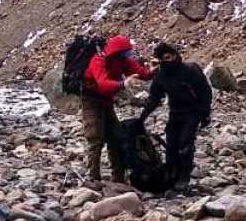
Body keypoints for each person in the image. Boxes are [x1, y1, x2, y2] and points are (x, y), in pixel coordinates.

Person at [82, 35, 153, 183]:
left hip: (107, 100)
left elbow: (142, 73)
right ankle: (93, 178)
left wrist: (153, 70)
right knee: (95, 138)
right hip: (91, 100)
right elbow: (102, 83)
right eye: (125, 52)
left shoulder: (123, 60)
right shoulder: (98, 60)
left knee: (114, 137)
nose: (128, 56)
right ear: (117, 52)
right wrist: (122, 84)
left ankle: (118, 178)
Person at [140, 43, 213, 188]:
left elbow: (205, 92)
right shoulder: (161, 75)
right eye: (164, 58)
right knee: (171, 144)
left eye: (170, 56)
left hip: (193, 112)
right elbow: (154, 98)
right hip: (175, 112)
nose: (168, 60)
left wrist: (205, 113)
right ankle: (172, 174)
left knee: (185, 143)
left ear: (175, 55)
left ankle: (184, 176)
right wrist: (142, 117)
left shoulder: (190, 70)